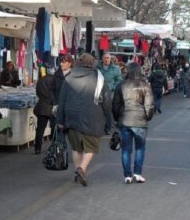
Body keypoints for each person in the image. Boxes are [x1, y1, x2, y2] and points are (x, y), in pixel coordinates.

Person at [57, 53, 111, 186]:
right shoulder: (99, 78)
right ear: (92, 63)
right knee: (91, 146)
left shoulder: (69, 77)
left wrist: (60, 120)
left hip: (72, 116)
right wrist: (107, 114)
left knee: (76, 147)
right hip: (93, 116)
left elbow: (62, 101)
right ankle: (82, 168)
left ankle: (77, 171)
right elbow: (106, 99)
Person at [112, 63, 154, 184]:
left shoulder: (121, 85)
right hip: (140, 121)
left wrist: (117, 118)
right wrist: (148, 117)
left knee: (126, 149)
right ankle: (137, 173)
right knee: (140, 148)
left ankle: (127, 175)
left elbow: (115, 105)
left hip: (124, 121)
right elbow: (149, 105)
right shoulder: (145, 85)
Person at [97, 52, 123, 134]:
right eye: (105, 58)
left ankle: (108, 127)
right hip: (99, 91)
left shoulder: (115, 68)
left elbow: (119, 80)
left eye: (108, 58)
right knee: (98, 109)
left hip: (110, 92)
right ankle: (99, 126)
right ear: (102, 59)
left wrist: (113, 87)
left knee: (108, 109)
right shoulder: (97, 68)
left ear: (110, 59)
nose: (107, 59)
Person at [33, 66, 55, 154]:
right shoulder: (55, 81)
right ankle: (54, 146)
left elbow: (37, 92)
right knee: (54, 128)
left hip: (42, 106)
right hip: (52, 107)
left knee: (40, 129)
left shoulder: (41, 81)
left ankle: (37, 148)